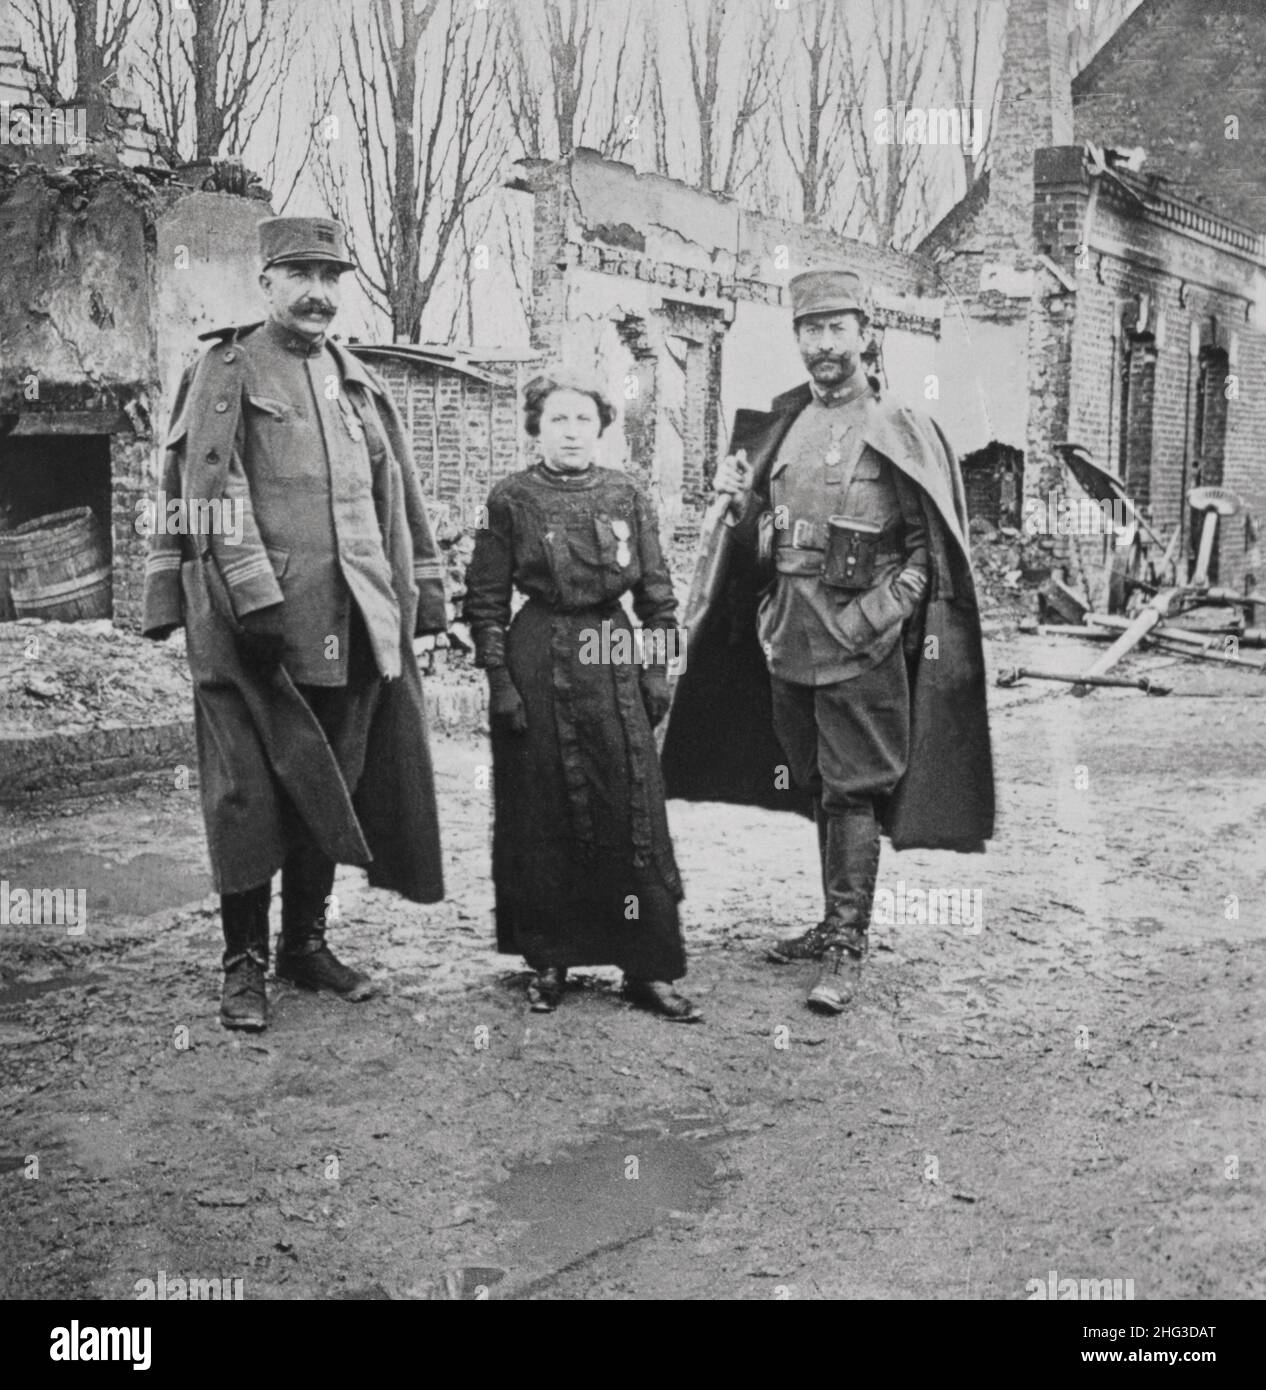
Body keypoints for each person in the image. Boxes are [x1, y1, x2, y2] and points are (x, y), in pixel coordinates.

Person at [142, 215, 448, 1032]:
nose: (318, 293)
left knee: (331, 783)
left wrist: (422, 600)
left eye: (330, 277)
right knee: (246, 793)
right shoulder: (225, 365)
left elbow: (401, 501)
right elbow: (202, 484)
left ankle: (304, 947)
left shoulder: (358, 380)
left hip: (347, 627)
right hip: (251, 635)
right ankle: (241, 964)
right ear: (266, 282)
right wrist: (253, 595)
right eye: (300, 275)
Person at [661, 268, 993, 1015]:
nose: (823, 345)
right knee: (815, 782)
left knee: (853, 791)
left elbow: (925, 555)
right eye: (810, 331)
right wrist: (734, 509)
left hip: (861, 647)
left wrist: (876, 617)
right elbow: (750, 535)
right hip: (789, 641)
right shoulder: (783, 426)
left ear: (865, 334)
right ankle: (829, 923)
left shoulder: (902, 428)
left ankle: (847, 944)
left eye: (836, 328)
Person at [461, 371, 700, 1021]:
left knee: (631, 806)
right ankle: (550, 959)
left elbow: (657, 596)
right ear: (537, 426)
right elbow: (484, 602)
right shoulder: (508, 498)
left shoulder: (627, 494)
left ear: (601, 429)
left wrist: (657, 672)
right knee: (541, 809)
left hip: (610, 648)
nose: (571, 432)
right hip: (536, 651)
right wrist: (501, 681)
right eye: (558, 420)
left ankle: (646, 967)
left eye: (584, 421)